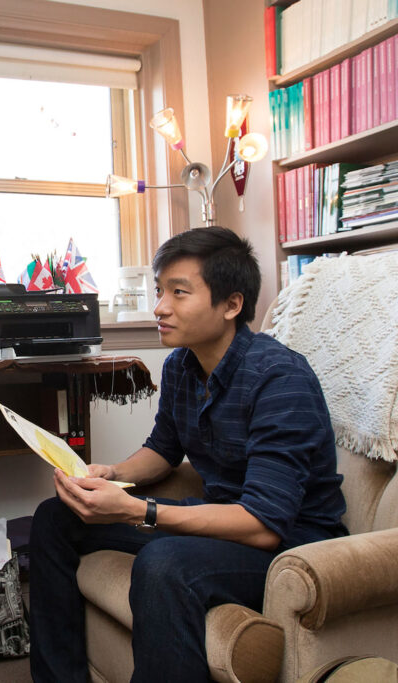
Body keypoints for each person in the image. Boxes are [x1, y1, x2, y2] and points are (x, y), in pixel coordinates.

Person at [29, 226, 347, 682]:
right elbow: (163, 449)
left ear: (231, 305)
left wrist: (139, 510)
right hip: (222, 519)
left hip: (291, 544)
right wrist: (111, 473)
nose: (160, 307)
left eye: (179, 293)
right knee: (55, 518)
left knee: (166, 566)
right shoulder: (182, 364)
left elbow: (262, 526)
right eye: (160, 291)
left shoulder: (280, 380)